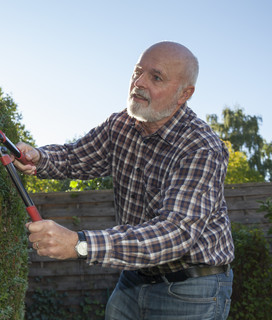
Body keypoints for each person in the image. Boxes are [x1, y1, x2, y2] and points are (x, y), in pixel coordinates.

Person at [13, 41, 234, 320]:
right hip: (133, 277)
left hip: (191, 287)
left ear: (184, 94)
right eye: (136, 72)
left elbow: (175, 232)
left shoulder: (201, 147)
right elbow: (75, 157)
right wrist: (38, 157)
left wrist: (79, 244)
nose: (138, 83)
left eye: (155, 77)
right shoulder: (121, 125)